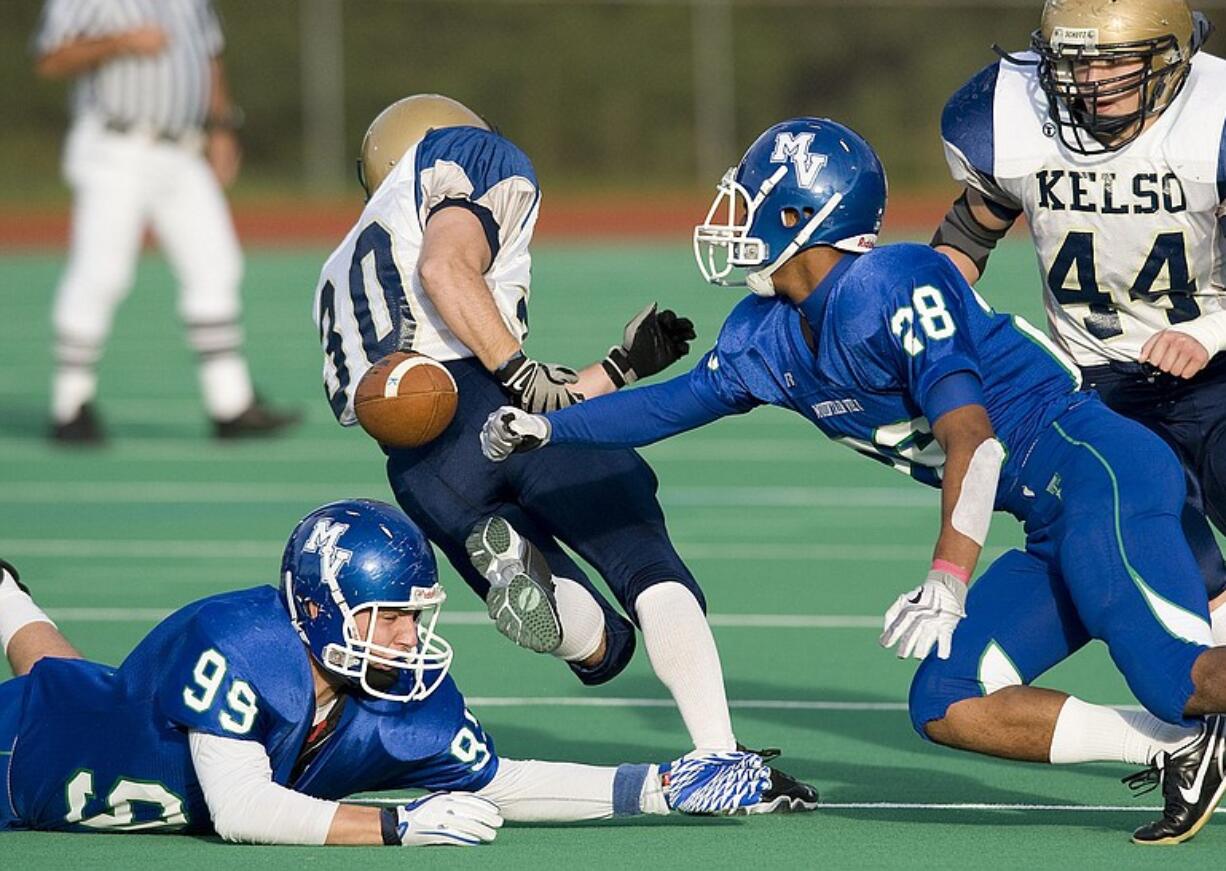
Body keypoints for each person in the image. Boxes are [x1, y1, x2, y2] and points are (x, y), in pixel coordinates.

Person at [480, 116, 1226, 845]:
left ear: (804, 213)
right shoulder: (765, 330)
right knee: (945, 699)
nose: (735, 220)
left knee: (1175, 678)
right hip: (1052, 518)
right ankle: (1176, 748)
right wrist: (551, 427)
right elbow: (668, 405)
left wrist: (948, 575)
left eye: (751, 203)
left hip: (1097, 471)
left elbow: (974, 439)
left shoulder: (892, 283)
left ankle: (1182, 723)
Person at [309, 93, 816, 812]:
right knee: (647, 562)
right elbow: (447, 275)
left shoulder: (336, 272)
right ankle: (717, 757)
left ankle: (569, 619)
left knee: (604, 652)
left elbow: (437, 385)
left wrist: (616, 368)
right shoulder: (468, 160)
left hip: (423, 469)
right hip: (488, 394)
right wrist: (518, 374)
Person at [0, 499, 781, 842]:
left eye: (417, 614)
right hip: (19, 761)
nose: (411, 638)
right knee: (62, 697)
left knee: (80, 688)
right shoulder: (239, 642)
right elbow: (241, 808)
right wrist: (394, 824)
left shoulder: (398, 698)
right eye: (392, 617)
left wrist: (663, 785)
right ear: (320, 608)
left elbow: (498, 781)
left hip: (94, 720)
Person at [932, 0, 1226, 630]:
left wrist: (1206, 332)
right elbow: (965, 239)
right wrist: (920, 311)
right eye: (1076, 61)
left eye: (1117, 59)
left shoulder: (1215, 121)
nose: (1093, 81)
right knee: (1180, 566)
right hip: (1092, 382)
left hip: (1217, 371)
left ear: (1172, 56)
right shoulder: (1015, 117)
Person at [33, 0, 299, 443]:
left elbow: (210, 56)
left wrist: (220, 125)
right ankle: (70, 404)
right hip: (116, 147)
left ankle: (229, 403)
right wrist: (118, 42)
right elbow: (51, 58)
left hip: (182, 148)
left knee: (216, 266)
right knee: (102, 273)